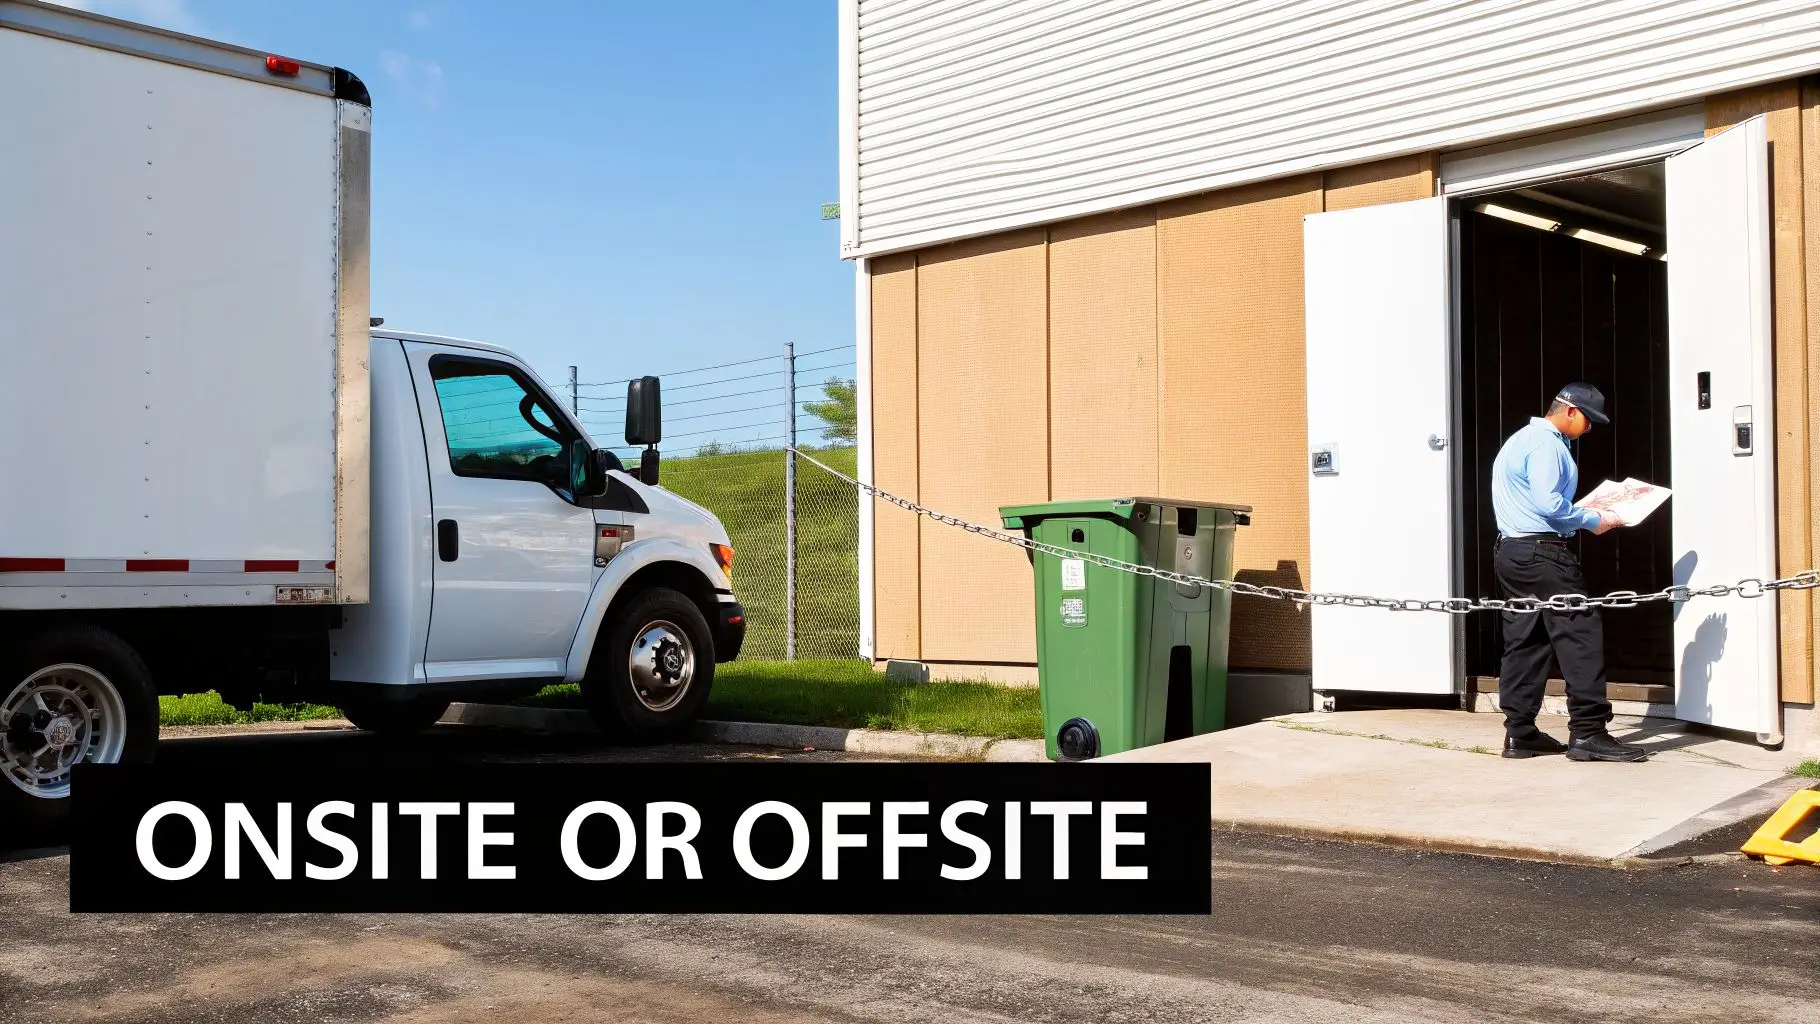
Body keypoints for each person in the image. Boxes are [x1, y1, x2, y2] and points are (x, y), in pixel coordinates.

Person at [1490, 382, 1651, 763]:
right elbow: (1548, 503)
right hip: (1544, 553)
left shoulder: (1518, 440)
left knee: (1526, 639)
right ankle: (1589, 733)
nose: (1590, 429)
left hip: (1512, 551)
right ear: (1570, 411)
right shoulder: (1546, 444)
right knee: (1580, 634)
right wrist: (1595, 518)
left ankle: (1520, 733)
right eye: (1589, 421)